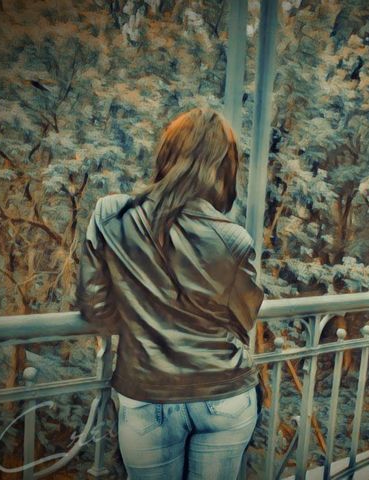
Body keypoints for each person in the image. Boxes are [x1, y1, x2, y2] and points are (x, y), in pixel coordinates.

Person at [76, 107, 265, 479]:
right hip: (225, 394)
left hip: (147, 391)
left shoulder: (111, 214)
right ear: (223, 168)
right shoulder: (234, 239)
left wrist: (144, 318)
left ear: (167, 153)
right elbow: (244, 319)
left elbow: (94, 306)